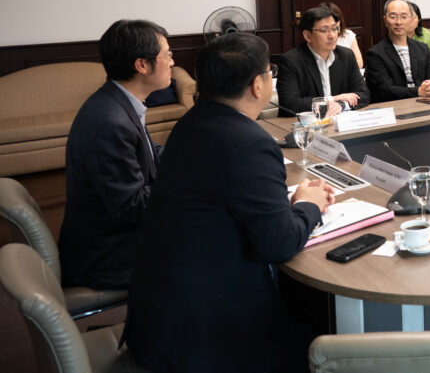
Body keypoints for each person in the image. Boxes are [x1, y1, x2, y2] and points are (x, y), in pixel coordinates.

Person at [127, 33, 333, 373]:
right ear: (257, 85)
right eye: (270, 72)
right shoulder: (249, 142)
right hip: (208, 334)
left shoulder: (191, 123)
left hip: (161, 314)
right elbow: (279, 243)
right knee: (322, 338)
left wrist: (291, 204)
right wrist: (309, 204)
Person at [58, 19, 173, 290]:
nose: (172, 62)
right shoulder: (111, 122)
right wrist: (191, 183)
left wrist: (192, 156)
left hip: (112, 237)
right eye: (167, 55)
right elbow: (132, 208)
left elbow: (147, 151)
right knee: (212, 239)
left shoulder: (116, 101)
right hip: (108, 256)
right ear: (142, 65)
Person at [276, 6, 369, 116]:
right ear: (307, 35)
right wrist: (332, 99)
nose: (332, 36)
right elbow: (290, 103)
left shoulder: (346, 55)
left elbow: (364, 94)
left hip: (340, 123)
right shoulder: (290, 61)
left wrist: (341, 105)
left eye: (334, 29)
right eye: (324, 30)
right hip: (304, 126)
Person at [364, 0, 430, 102]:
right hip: (394, 107)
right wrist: (417, 91)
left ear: (411, 20)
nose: (398, 22)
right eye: (393, 17)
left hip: (424, 103)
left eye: (404, 17)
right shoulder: (375, 54)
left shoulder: (423, 49)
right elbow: (384, 90)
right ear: (385, 20)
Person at [318, 1, 363, 68]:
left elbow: (359, 63)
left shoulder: (348, 34)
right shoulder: (318, 36)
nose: (332, 35)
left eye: (335, 20)